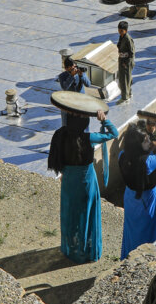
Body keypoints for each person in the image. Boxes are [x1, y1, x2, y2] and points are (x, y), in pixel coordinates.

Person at [48, 110, 119, 262]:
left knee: (71, 213)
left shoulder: (60, 134)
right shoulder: (89, 138)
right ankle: (86, 250)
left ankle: (71, 248)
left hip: (68, 182)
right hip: (86, 182)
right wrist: (104, 120)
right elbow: (114, 133)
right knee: (86, 214)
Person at [119, 121, 156, 258]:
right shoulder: (148, 162)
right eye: (145, 140)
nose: (149, 141)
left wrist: (149, 148)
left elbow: (136, 157)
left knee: (133, 230)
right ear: (137, 144)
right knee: (153, 232)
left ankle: (129, 256)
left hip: (130, 198)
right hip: (149, 199)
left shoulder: (122, 155)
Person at [56, 56, 90, 128]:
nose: (75, 69)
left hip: (80, 101)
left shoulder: (80, 72)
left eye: (75, 66)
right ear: (66, 68)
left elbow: (88, 84)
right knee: (66, 119)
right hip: (69, 101)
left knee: (84, 120)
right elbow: (65, 87)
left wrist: (82, 76)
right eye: (72, 68)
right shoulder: (62, 76)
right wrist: (71, 76)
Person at [117, 21, 134, 103]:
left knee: (124, 80)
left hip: (126, 62)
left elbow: (131, 52)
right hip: (122, 60)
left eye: (121, 30)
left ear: (126, 30)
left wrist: (126, 62)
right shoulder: (121, 37)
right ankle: (128, 94)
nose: (120, 32)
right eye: (119, 30)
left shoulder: (128, 39)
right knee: (125, 78)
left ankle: (125, 97)